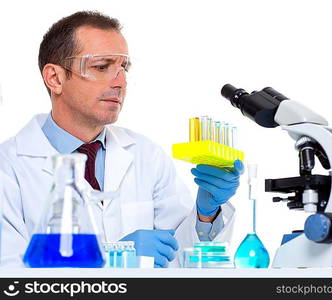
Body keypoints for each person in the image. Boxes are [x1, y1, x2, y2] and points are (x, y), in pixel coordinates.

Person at [0, 11, 243, 268]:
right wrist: (114, 256)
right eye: (102, 67)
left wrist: (206, 216)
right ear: (55, 78)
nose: (120, 82)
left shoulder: (146, 155)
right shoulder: (8, 166)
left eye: (123, 68)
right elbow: (9, 276)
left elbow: (178, 260)